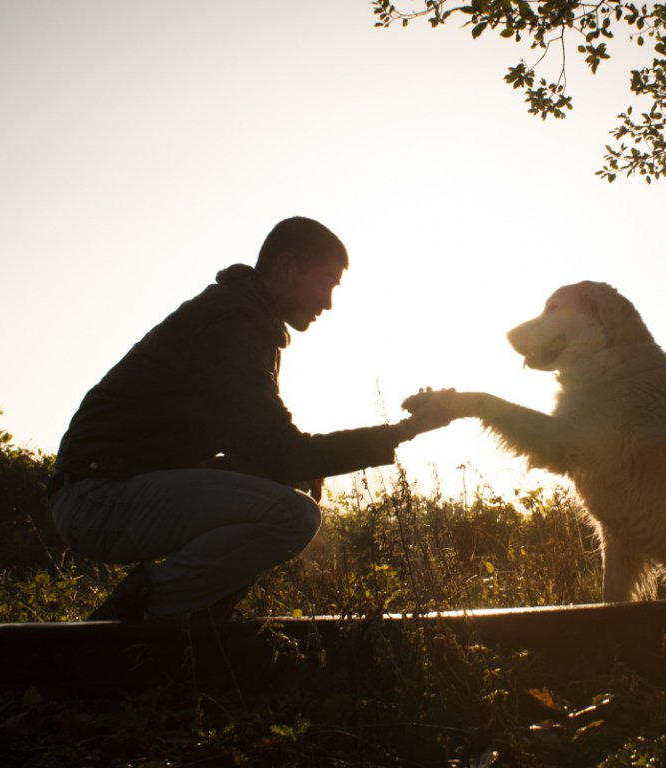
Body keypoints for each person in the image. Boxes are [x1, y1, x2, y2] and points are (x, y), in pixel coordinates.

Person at [50, 216, 453, 623]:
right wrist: (406, 431)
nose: (328, 302)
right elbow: (285, 452)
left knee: (292, 485)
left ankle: (199, 617)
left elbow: (269, 450)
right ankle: (128, 622)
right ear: (284, 268)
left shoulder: (239, 316)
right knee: (294, 515)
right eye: (326, 281)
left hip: (114, 489)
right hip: (97, 498)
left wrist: (302, 469)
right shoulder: (232, 324)